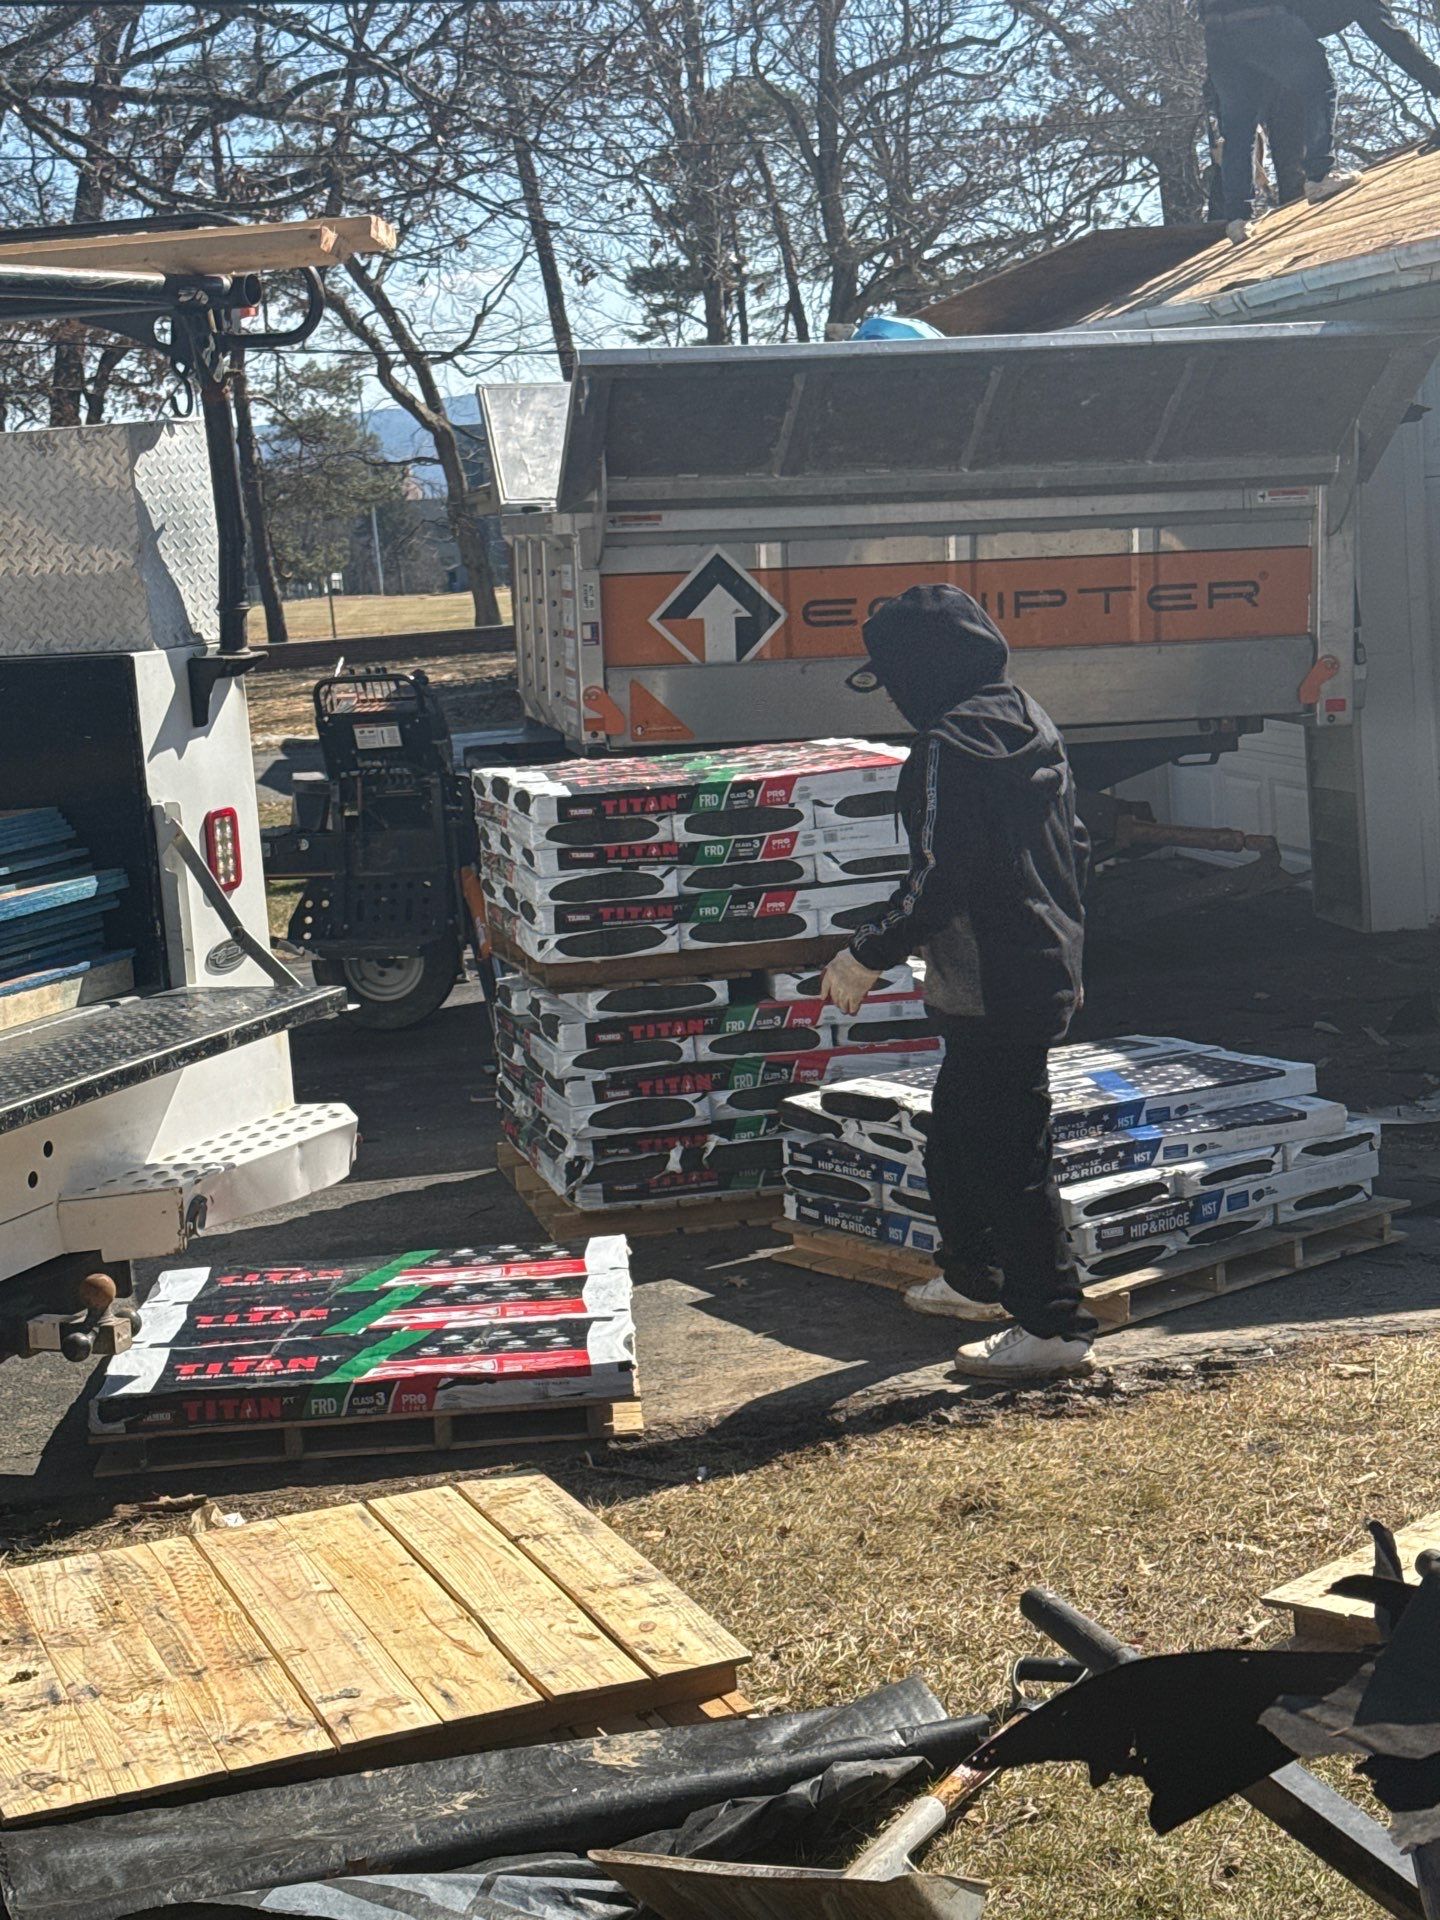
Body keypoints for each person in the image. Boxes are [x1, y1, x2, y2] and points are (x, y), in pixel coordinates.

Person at [819, 585, 1098, 1384]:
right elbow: (1074, 849)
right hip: (1035, 965)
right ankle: (976, 1280)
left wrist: (865, 953)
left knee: (1008, 1151)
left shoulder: (949, 744)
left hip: (990, 980)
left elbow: (939, 875)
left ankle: (1053, 1326)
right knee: (957, 1133)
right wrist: (1069, 956)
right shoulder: (1027, 718)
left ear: (920, 668)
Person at [1200, 0, 1358, 242]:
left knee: (1239, 126)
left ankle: (1238, 218)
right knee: (1319, 84)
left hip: (1218, 35)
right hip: (1264, 17)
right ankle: (1320, 175)